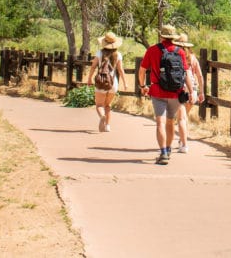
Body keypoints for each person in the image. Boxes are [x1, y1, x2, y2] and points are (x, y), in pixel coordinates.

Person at [140, 24, 194, 164]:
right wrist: (191, 91)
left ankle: (163, 152)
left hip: (158, 91)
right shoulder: (180, 51)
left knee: (160, 122)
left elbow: (142, 70)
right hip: (176, 93)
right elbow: (186, 72)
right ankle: (169, 148)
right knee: (171, 122)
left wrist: (142, 85)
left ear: (161, 36)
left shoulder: (152, 50)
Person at [86, 32, 127, 133]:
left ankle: (102, 116)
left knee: (99, 105)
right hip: (113, 83)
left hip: (101, 81)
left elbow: (93, 66)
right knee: (107, 105)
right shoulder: (118, 55)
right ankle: (108, 126)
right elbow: (121, 70)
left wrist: (89, 78)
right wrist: (125, 83)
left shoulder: (99, 53)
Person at [174, 32, 205, 153]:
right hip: (193, 89)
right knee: (184, 116)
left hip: (180, 88)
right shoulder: (193, 58)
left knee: (181, 117)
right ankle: (183, 140)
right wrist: (201, 92)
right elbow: (200, 76)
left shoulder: (175, 55)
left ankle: (183, 141)